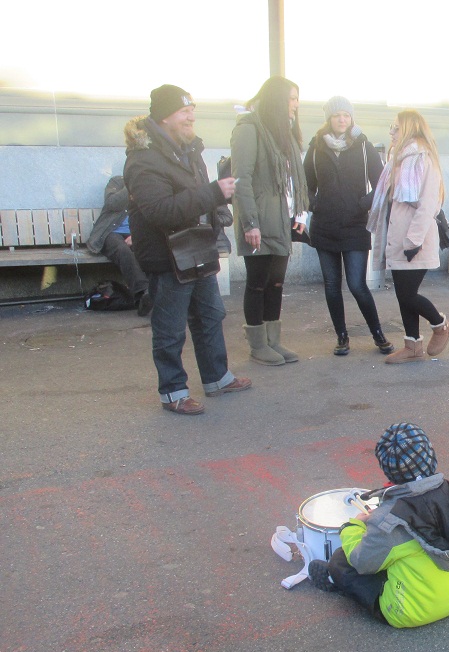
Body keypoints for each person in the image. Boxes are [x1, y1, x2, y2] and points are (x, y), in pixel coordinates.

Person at [123, 85, 251, 415]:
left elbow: (200, 197)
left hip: (197, 248)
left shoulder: (188, 151)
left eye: (192, 109)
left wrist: (218, 204)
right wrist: (213, 194)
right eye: (184, 111)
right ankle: (173, 391)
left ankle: (217, 378)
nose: (191, 116)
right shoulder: (143, 161)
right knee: (170, 328)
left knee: (210, 315)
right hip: (167, 257)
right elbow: (161, 211)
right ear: (165, 117)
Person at [307, 422, 449, 628]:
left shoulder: (387, 519)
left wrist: (353, 527)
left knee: (341, 560)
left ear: (388, 470)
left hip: (412, 612)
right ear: (431, 455)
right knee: (400, 554)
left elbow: (361, 562)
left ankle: (334, 581)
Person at [304, 96, 391, 356]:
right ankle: (342, 337)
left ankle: (378, 333)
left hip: (354, 226)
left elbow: (382, 182)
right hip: (325, 226)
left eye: (346, 115)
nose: (342, 119)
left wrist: (362, 203)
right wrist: (314, 204)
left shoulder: (364, 146)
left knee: (356, 285)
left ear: (351, 118)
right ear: (329, 119)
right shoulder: (317, 145)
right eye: (336, 115)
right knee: (331, 285)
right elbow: (305, 182)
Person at [231, 76, 309, 366]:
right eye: (291, 98)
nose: (295, 105)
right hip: (260, 221)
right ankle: (258, 344)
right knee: (258, 282)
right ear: (277, 99)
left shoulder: (283, 131)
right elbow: (241, 179)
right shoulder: (249, 129)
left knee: (276, 283)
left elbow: (293, 179)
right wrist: (250, 223)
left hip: (282, 219)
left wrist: (300, 213)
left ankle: (273, 340)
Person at [366, 110, 449, 364]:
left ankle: (441, 325)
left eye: (395, 128)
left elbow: (428, 204)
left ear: (408, 129)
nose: (391, 133)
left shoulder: (423, 159)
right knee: (403, 293)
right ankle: (412, 345)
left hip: (414, 241)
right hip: (398, 238)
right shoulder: (399, 160)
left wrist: (413, 241)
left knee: (407, 295)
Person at [86, 175, 151, 315]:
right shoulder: (116, 182)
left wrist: (136, 236)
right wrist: (132, 185)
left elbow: (152, 215)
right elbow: (112, 203)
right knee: (122, 250)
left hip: (135, 234)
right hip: (109, 233)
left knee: (152, 250)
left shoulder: (150, 185)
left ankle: (154, 295)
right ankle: (143, 294)